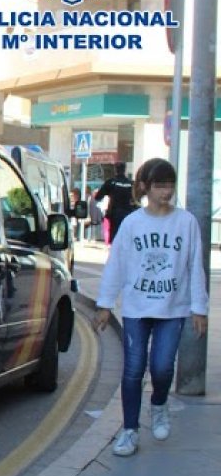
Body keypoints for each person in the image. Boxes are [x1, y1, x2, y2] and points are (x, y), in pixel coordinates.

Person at [93, 158, 208, 457]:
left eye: (170, 185)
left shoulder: (186, 222)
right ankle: (129, 430)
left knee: (161, 366)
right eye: (159, 185)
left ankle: (159, 405)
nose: (165, 192)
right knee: (133, 369)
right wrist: (105, 304)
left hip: (173, 308)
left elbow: (196, 266)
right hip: (136, 308)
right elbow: (116, 264)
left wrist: (200, 307)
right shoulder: (133, 223)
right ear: (145, 187)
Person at [94, 161, 136, 244]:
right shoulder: (131, 184)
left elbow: (98, 197)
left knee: (115, 239)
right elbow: (138, 198)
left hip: (115, 215)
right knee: (128, 239)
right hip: (129, 215)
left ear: (115, 170)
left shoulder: (111, 182)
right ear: (125, 170)